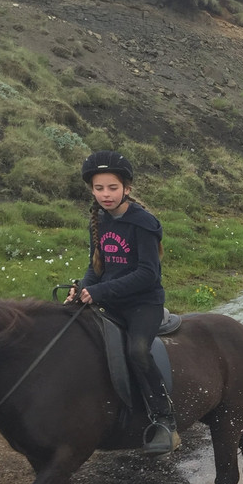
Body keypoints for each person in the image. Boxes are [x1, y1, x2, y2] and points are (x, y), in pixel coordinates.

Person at [68, 151, 178, 455]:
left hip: (143, 303)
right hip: (112, 299)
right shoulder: (98, 220)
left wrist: (100, 293)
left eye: (112, 188)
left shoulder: (143, 222)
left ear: (126, 188)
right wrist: (83, 289)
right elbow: (96, 267)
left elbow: (147, 274)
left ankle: (164, 418)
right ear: (92, 189)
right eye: (99, 188)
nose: (105, 194)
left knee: (137, 350)